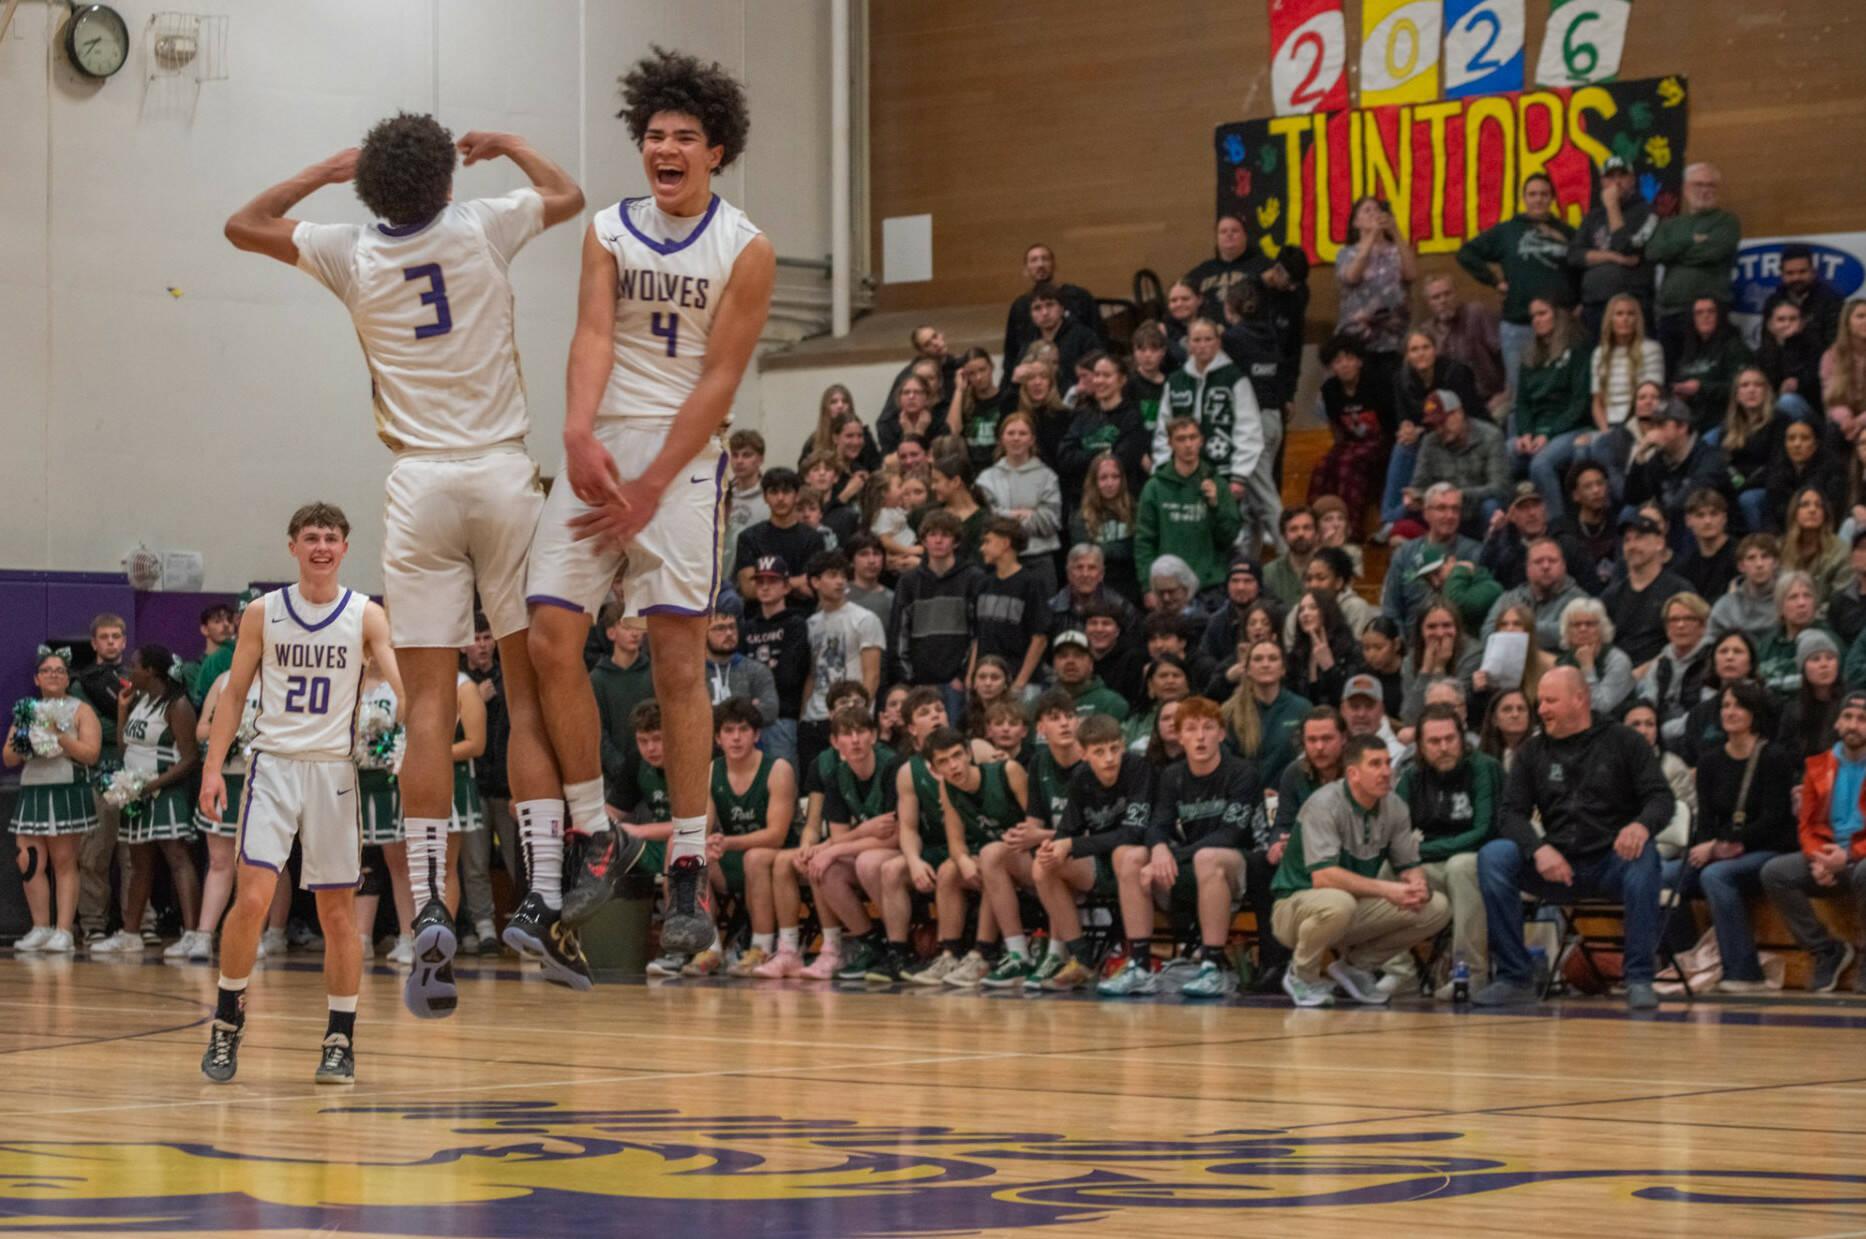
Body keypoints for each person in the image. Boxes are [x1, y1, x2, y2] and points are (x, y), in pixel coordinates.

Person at [228, 113, 583, 1015]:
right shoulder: (484, 222)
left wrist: (324, 166)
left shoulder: (349, 251)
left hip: (418, 483)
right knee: (525, 694)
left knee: (424, 705)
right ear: (446, 183)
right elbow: (569, 195)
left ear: (369, 186)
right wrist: (510, 147)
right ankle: (541, 896)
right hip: (505, 472)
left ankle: (426, 907)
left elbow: (243, 223)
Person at [195, 502, 399, 1082]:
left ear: (344, 548)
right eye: (311, 537)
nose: (321, 546)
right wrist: (214, 769)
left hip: (334, 772)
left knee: (339, 916)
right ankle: (228, 1022)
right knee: (252, 899)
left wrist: (417, 718)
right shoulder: (263, 612)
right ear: (292, 546)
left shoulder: (366, 614)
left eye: (332, 537)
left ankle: (340, 1037)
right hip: (273, 766)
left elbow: (397, 674)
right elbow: (234, 695)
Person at [1474, 666, 1673, 1010]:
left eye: (1551, 701)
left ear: (1580, 699)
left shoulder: (1624, 741)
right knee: (1494, 855)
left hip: (1613, 863)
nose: (1542, 710)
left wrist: (1640, 826)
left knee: (1646, 856)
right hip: (1558, 867)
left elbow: (1661, 798)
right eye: (1541, 702)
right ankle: (1514, 976)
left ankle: (1639, 977)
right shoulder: (1533, 752)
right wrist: (1538, 850)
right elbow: (1510, 814)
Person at [1270, 734, 1450, 1007]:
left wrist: (1417, 885)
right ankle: (1301, 975)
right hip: (1295, 906)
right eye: (1375, 764)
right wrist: (1390, 890)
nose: (1386, 772)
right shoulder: (1324, 805)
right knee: (1338, 902)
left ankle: (1355, 967)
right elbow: (1324, 877)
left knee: (1435, 906)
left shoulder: (1395, 807)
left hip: (1351, 908)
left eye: (1388, 763)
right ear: (1353, 773)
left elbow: (1409, 864)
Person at [1106, 697, 1257, 999]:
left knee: (1207, 856)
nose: (1200, 736)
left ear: (1221, 734)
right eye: (1191, 729)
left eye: (1208, 728)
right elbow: (1157, 824)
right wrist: (1159, 849)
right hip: (1194, 866)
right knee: (1132, 856)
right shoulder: (1172, 775)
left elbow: (1230, 834)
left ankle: (1212, 967)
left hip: (1240, 869)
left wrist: (1170, 855)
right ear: (1179, 736)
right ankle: (1139, 966)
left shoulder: (1243, 772)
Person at [1031, 713, 1151, 991]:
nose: (1109, 758)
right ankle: (1081, 959)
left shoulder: (1137, 769)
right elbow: (1069, 828)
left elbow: (1135, 832)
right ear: (1083, 754)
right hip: (1101, 862)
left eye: (1114, 749)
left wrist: (1072, 846)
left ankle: (1139, 963)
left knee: (1125, 851)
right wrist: (1054, 847)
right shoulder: (1081, 777)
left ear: (1123, 745)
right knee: (1043, 865)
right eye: (1099, 751)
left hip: (1140, 862)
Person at [98, 645, 200, 958]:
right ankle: (131, 935)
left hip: (166, 793)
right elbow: (124, 748)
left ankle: (194, 935)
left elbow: (190, 757)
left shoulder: (177, 705)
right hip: (138, 794)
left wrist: (154, 784)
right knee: (139, 866)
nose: (130, 669)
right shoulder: (140, 701)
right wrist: (121, 711)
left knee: (178, 860)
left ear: (151, 670)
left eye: (135, 665)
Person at [1760, 689, 1866, 992]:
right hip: (1829, 857)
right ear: (1837, 723)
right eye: (1848, 716)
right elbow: (1806, 826)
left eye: (1862, 718)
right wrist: (1819, 859)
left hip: (1858, 858)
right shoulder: (1818, 766)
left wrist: (1847, 857)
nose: (1854, 724)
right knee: (1775, 872)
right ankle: (1826, 950)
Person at [3, 648, 101, 955]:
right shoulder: (26, 710)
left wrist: (59, 736)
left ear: (68, 677)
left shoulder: (80, 710)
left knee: (64, 861)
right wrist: (27, 744)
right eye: (47, 670)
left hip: (66, 789)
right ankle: (40, 927)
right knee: (28, 861)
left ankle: (63, 931)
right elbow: (8, 758)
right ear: (37, 678)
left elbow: (90, 754)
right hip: (33, 789)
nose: (53, 675)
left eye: (59, 670)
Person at [692, 699, 796, 978]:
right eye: (728, 730)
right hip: (732, 855)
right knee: (686, 853)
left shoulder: (778, 770)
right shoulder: (713, 770)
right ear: (717, 737)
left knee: (755, 857)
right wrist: (706, 845)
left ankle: (761, 948)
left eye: (743, 730)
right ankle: (710, 947)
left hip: (775, 858)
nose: (736, 738)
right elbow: (703, 824)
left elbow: (776, 836)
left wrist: (725, 842)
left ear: (756, 735)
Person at [1151, 319, 1272, 552]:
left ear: (1218, 343)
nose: (1203, 345)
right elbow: (1162, 429)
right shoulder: (1175, 382)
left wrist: (1240, 475)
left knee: (1228, 533)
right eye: (1197, 340)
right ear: (1189, 345)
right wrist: (1162, 467)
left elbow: (1249, 428)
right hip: (1181, 474)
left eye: (1208, 339)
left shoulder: (1235, 379)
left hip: (1223, 471)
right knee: (1186, 530)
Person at [1456, 173, 1575, 401]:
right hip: (1518, 326)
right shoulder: (1507, 231)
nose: (1538, 199)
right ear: (1524, 199)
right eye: (1532, 194)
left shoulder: (1568, 233)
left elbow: (1580, 269)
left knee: (1561, 394)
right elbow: (1466, 253)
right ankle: (1515, 438)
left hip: (1560, 327)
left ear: (1552, 199)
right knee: (1519, 397)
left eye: (1543, 194)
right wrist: (1494, 281)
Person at [177, 664, 261, 962]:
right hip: (226, 777)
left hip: (265, 781)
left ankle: (258, 936)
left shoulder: (283, 675)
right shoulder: (224, 680)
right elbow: (201, 731)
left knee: (257, 863)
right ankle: (203, 936)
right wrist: (229, 733)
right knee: (220, 860)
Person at [1646, 163, 1741, 371]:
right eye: (1698, 185)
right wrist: (1693, 240)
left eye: (1710, 185)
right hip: (1671, 314)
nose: (1704, 190)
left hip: (1710, 315)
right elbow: (1653, 252)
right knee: (1669, 377)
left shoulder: (1727, 221)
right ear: (1686, 188)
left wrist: (1677, 251)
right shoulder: (1670, 224)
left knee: (1708, 374)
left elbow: (1715, 251)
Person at [799, 551, 885, 778]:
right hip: (815, 717)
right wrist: (803, 716)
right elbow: (811, 673)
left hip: (851, 717)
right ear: (816, 581)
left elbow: (872, 675)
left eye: (843, 576)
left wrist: (859, 715)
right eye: (832, 575)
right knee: (815, 785)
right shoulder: (810, 624)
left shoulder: (865, 619)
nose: (840, 581)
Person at [1136, 417, 1243, 599]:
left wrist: (1215, 506)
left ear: (1201, 441)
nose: (1188, 444)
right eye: (1181, 439)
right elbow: (1144, 541)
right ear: (1170, 443)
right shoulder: (1154, 487)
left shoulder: (1217, 484)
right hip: (1168, 589)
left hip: (1210, 586)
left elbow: (1229, 537)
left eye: (1193, 438)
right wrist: (1147, 586)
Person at [1310, 334, 1395, 536]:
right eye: (1338, 361)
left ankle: (1350, 530)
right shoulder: (1329, 389)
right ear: (1331, 367)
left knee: (1348, 464)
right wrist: (1335, 452)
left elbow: (1391, 424)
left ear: (1359, 360)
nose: (1345, 365)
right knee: (1322, 466)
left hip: (1382, 441)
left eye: (1349, 358)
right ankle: (1316, 526)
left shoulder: (1376, 382)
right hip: (1350, 443)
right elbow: (1336, 428)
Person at [1567, 154, 1657, 340]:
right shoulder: (1593, 217)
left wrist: (1612, 207)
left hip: (1631, 306)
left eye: (1622, 176)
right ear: (1602, 182)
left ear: (1632, 180)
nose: (1616, 182)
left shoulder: (1647, 212)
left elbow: (1626, 248)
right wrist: (1613, 257)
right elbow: (1574, 255)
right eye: (1610, 177)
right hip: (1595, 304)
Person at [978, 412, 1064, 596]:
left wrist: (1005, 516)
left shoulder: (1047, 477)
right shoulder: (987, 479)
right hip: (1000, 560)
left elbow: (1050, 521)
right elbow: (987, 520)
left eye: (1022, 433)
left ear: (1032, 439)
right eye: (1011, 433)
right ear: (1002, 438)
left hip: (1039, 560)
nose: (1016, 438)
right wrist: (1021, 514)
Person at [968, 517, 1053, 697]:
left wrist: (1019, 684)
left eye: (987, 541)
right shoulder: (983, 585)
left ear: (1005, 543)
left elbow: (1039, 639)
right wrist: (971, 678)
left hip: (1020, 683)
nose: (982, 548)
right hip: (986, 682)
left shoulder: (1031, 584)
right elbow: (977, 637)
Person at [1623, 398, 1732, 534]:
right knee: (1629, 513)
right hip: (1673, 527)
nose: (1654, 433)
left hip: (1714, 532)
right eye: (1653, 426)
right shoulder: (1659, 459)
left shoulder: (1709, 458)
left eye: (1661, 425)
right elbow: (1633, 498)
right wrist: (1639, 456)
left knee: (1690, 518)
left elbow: (1688, 500)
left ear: (1682, 427)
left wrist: (1658, 514)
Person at [1600, 512, 1695, 667]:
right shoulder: (1611, 595)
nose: (1632, 546)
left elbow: (1686, 645)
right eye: (1627, 540)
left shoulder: (1679, 591)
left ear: (1660, 542)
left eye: (1640, 538)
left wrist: (1640, 674)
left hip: (1664, 673)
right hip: (1617, 675)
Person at [1409, 390, 1510, 537]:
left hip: (1476, 512)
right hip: (1443, 512)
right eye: (1434, 425)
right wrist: (1415, 496)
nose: (1439, 430)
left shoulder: (1491, 436)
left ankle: (1489, 555)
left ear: (1459, 413)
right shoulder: (1429, 442)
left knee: (1492, 506)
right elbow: (1419, 484)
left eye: (1443, 422)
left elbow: (1500, 487)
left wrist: (1459, 495)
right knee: (1404, 514)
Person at [1381, 483, 1481, 629]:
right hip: (1411, 644)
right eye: (1442, 508)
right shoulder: (1404, 553)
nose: (1450, 515)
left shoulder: (1475, 553)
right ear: (1426, 513)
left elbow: (1479, 610)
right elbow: (1391, 610)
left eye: (1455, 509)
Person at [1335, 195, 1416, 371]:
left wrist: (1395, 231)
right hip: (1357, 339)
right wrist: (1371, 237)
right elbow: (1351, 277)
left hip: (1393, 338)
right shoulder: (1347, 253)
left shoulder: (1396, 250)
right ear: (1356, 222)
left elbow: (1410, 275)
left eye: (1377, 209)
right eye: (1367, 210)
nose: (1374, 214)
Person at [1001, 245, 1099, 387]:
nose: (1040, 264)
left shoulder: (1080, 297)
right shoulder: (1020, 307)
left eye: (1045, 259)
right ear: (1026, 269)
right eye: (1034, 260)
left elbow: (1098, 341)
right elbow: (1010, 355)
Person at [1059, 353, 1149, 501]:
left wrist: (1085, 456)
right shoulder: (1083, 416)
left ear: (1122, 380)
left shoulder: (1133, 418)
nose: (1099, 380)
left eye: (1106, 376)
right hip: (1084, 501)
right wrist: (1102, 453)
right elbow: (1065, 456)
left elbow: (1123, 460)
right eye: (1097, 375)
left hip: (1121, 502)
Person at [1420, 274, 1506, 410]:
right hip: (1452, 407)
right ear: (1429, 303)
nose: (1443, 301)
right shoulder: (1427, 332)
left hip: (1490, 398)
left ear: (1456, 294)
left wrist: (1505, 393)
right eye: (1436, 297)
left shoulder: (1476, 314)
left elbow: (1505, 354)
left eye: (1447, 294)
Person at [1671, 297, 1752, 432]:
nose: (1705, 316)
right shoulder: (1687, 350)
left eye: (1711, 311)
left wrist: (1701, 388)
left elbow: (1741, 389)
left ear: (1720, 316)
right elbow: (1679, 381)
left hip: (1723, 421)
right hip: (1690, 421)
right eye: (1699, 313)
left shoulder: (1735, 348)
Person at [1070, 454, 1142, 606]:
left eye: (1115, 477)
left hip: (1131, 586)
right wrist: (1121, 547)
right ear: (1094, 482)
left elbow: (1137, 548)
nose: (1110, 483)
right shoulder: (1081, 517)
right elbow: (1084, 553)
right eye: (1103, 478)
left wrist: (1103, 550)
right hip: (1097, 588)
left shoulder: (1135, 510)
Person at [1762, 243, 1845, 361]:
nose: (1796, 277)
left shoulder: (1831, 300)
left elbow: (1835, 346)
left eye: (1802, 272)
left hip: (1821, 370)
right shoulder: (1773, 302)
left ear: (1813, 271)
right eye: (1790, 273)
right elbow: (1767, 346)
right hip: (1780, 372)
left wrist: (1802, 334)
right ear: (1782, 274)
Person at [1286, 589, 1364, 707]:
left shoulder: (1351, 650)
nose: (1305, 614)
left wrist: (1329, 667)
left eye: (1313, 607)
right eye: (1301, 610)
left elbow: (1352, 698)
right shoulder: (1297, 654)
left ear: (1328, 611)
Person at [1756, 301, 1825, 417]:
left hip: (1808, 412)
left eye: (1793, 319)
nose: (1787, 324)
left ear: (1802, 323)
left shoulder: (1816, 350)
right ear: (1770, 325)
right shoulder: (1761, 354)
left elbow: (1810, 385)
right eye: (1781, 320)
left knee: (1787, 400)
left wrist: (1792, 342)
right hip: (1768, 409)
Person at [1185, 214, 1262, 317]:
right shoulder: (1201, 272)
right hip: (1206, 330)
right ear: (1217, 238)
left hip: (1248, 329)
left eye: (1235, 231)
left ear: (1245, 236)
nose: (1229, 234)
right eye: (1223, 231)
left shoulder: (1263, 267)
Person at [1782, 630, 1844, 759]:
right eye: (1815, 659)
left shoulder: (1849, 705)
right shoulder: (1793, 710)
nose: (1824, 665)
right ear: (1803, 668)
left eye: (1830, 657)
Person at [1049, 629, 1130, 721]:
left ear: (1091, 663)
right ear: (1054, 664)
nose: (1070, 661)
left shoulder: (1112, 704)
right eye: (1063, 656)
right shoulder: (1037, 705)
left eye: (1078, 655)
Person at [1479, 689, 1533, 771]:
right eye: (1507, 709)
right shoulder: (1483, 758)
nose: (1515, 714)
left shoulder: (1542, 750)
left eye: (1521, 709)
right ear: (1494, 720)